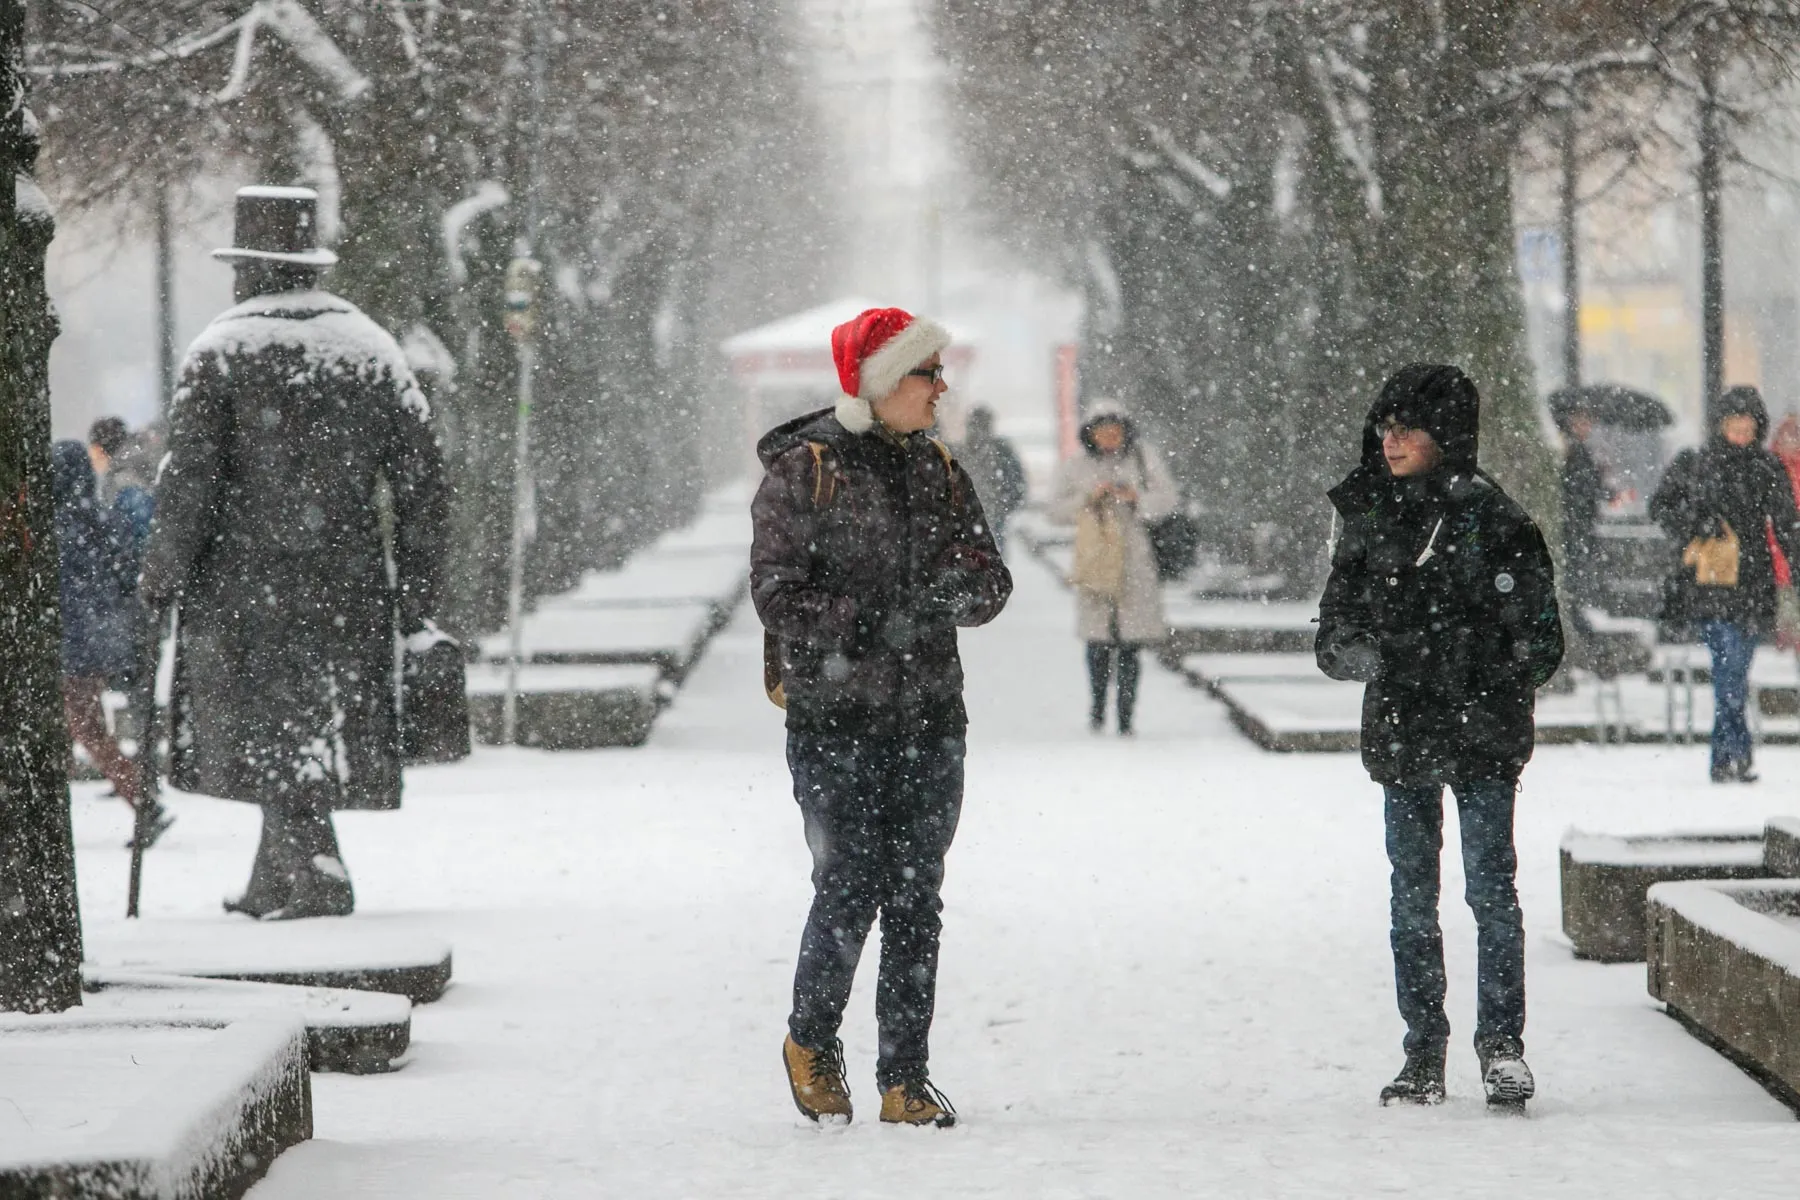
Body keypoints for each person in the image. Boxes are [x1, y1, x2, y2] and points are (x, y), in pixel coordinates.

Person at [142, 185, 452, 920]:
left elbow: (187, 484)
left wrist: (160, 575)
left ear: (249, 265)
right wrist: (417, 593)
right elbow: (422, 485)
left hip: (239, 582)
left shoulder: (223, 351)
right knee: (310, 718)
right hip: (345, 580)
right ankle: (277, 872)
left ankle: (317, 869)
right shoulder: (370, 349)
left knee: (268, 721)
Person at [753, 306, 1012, 1128]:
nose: (941, 388)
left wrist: (954, 594)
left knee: (915, 896)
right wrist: (867, 622)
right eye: (926, 373)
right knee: (849, 886)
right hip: (836, 720)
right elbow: (775, 592)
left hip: (931, 718)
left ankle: (905, 1078)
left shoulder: (941, 468)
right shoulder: (807, 469)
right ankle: (811, 1039)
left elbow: (991, 579)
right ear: (879, 382)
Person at [1315, 364, 1564, 1109]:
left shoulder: (1498, 520)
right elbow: (1334, 636)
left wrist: (1472, 661)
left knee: (1490, 890)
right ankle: (1424, 1047)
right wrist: (1392, 657)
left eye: (1407, 429)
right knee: (1413, 896)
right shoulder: (1367, 516)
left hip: (1481, 733)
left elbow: (1541, 643)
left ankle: (1500, 1046)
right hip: (1406, 730)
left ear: (1443, 436)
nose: (1390, 442)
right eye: (1384, 428)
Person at [1649, 385, 1800, 783]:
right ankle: (1731, 756)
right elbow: (1660, 506)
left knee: (1735, 672)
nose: (1739, 431)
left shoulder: (1766, 469)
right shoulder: (1697, 463)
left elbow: (1787, 524)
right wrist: (1697, 524)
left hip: (1752, 583)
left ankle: (1731, 754)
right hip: (1711, 584)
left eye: (1746, 424)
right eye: (1733, 423)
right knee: (1727, 668)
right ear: (1720, 424)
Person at [50, 440, 172, 842]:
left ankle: (142, 799)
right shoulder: (102, 519)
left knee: (83, 726)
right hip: (98, 642)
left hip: (69, 645)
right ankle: (139, 796)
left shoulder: (54, 527)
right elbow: (123, 577)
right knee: (78, 725)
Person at [1049, 400, 1178, 735]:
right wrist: (1088, 498)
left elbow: (1168, 499)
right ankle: (1097, 708)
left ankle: (1125, 715)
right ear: (1090, 434)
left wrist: (1137, 499)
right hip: (1096, 559)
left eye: (1115, 430)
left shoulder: (1143, 458)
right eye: (1101, 431)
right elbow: (1055, 510)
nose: (1109, 437)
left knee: (1131, 644)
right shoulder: (1076, 466)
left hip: (1135, 559)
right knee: (1097, 641)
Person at [1555, 403, 1610, 639]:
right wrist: (1600, 484)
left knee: (1576, 575)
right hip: (1573, 526)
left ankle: (1576, 620)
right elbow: (1581, 489)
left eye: (1589, 421)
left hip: (1578, 526)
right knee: (1573, 575)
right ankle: (1576, 623)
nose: (1587, 426)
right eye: (1581, 421)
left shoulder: (1577, 450)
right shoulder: (1571, 450)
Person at [955, 406, 1026, 552]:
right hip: (978, 514)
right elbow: (1017, 482)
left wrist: (1005, 505)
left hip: (991, 513)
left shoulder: (1001, 450)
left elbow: (1017, 482)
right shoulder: (960, 451)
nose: (977, 431)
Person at [88, 416, 155, 549]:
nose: (91, 460)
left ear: (103, 450)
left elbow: (141, 527)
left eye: (94, 452)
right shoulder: (132, 468)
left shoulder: (124, 479)